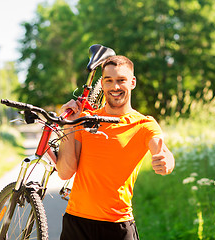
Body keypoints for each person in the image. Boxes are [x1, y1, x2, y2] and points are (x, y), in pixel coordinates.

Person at [56, 55, 175, 240]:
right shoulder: (85, 120)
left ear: (132, 82)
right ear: (102, 83)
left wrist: (166, 161)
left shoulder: (144, 124)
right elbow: (65, 172)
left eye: (121, 80)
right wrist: (69, 123)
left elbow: (162, 150)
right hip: (77, 223)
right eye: (109, 80)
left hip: (117, 227)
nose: (115, 87)